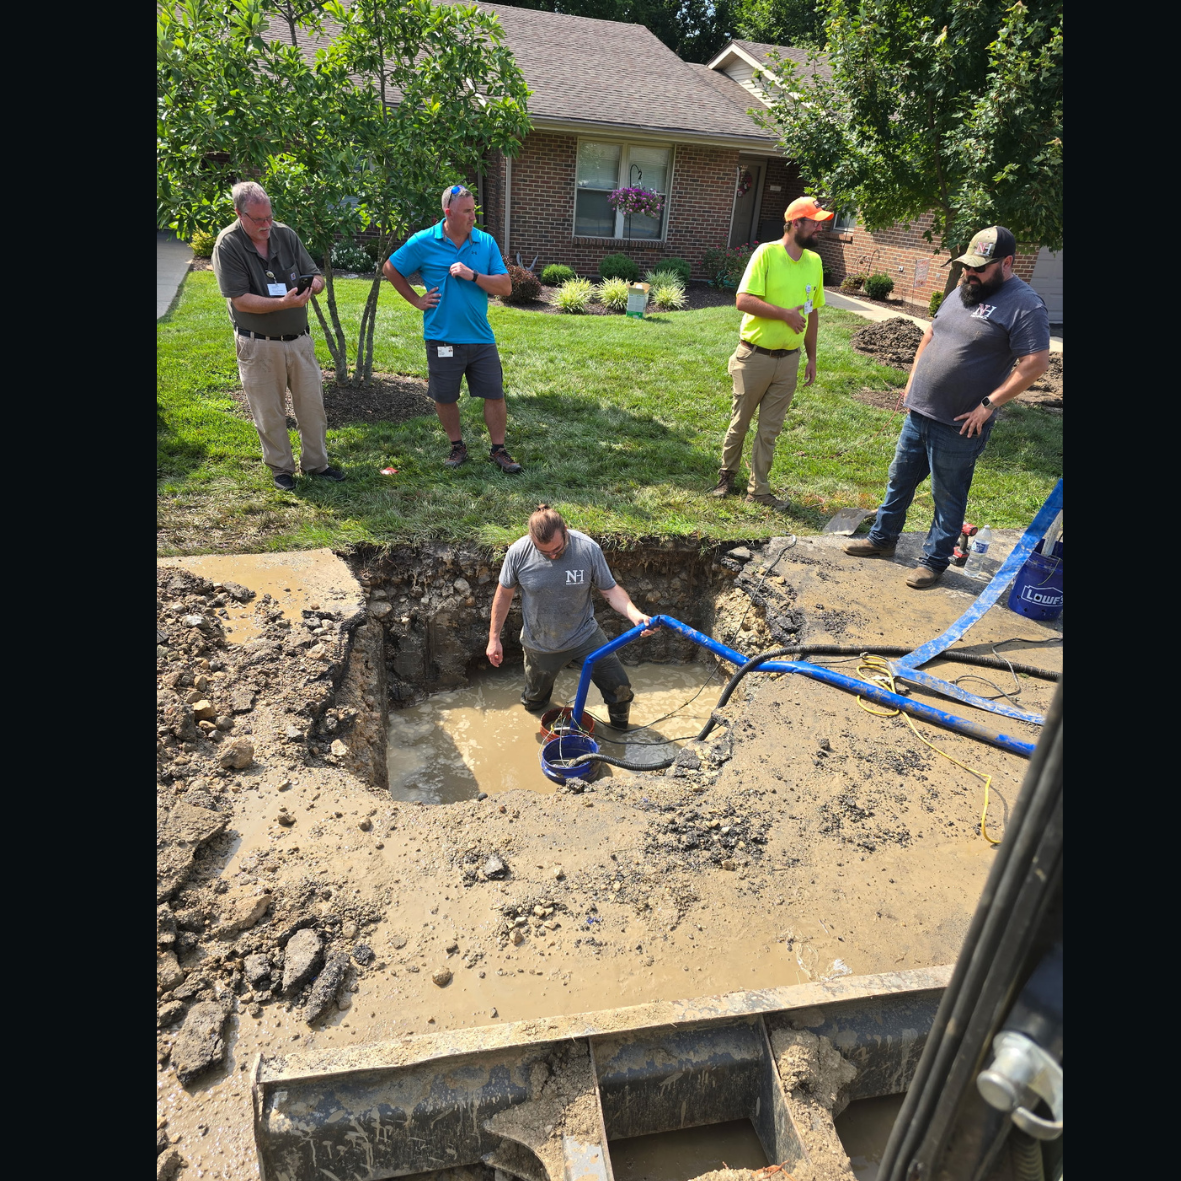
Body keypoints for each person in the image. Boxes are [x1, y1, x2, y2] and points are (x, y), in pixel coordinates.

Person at [844, 226, 1051, 588]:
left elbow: (1035, 362)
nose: (970, 273)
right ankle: (882, 540)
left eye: (979, 268)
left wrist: (989, 404)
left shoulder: (1025, 304)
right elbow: (931, 334)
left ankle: (934, 561)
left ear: (1007, 263)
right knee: (900, 480)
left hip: (960, 423)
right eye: (967, 266)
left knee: (948, 494)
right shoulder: (962, 291)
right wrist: (912, 383)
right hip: (921, 410)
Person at [212, 181, 345, 492]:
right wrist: (282, 303)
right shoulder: (227, 245)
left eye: (269, 217)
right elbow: (240, 299)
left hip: (299, 340)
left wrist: (313, 286)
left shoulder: (285, 235)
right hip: (258, 343)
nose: (266, 225)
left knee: (312, 407)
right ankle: (281, 469)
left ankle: (317, 464)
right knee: (269, 411)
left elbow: (317, 276)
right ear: (239, 214)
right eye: (258, 220)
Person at [384, 185, 523, 473]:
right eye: (467, 211)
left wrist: (472, 275)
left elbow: (505, 286)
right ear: (448, 212)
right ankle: (457, 445)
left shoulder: (485, 242)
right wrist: (415, 299)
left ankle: (499, 450)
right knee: (445, 396)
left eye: (475, 210)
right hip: (442, 337)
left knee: (494, 394)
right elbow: (390, 268)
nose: (473, 216)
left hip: (480, 336)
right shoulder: (424, 241)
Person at [710, 196, 831, 511]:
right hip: (754, 357)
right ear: (795, 223)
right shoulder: (766, 253)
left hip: (788, 361)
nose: (820, 227)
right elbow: (743, 300)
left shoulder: (814, 262)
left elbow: (812, 312)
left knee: (770, 429)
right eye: (814, 222)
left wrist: (812, 356)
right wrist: (784, 315)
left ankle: (758, 490)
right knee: (741, 421)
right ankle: (726, 477)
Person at [486, 506, 655, 730]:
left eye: (557, 549)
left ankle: (620, 732)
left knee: (620, 688)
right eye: (545, 552)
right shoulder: (519, 552)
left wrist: (635, 615)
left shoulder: (587, 548)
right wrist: (494, 638)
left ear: (565, 530)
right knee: (534, 701)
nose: (553, 556)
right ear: (532, 539)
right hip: (540, 643)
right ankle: (536, 721)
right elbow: (504, 594)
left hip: (584, 636)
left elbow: (610, 590)